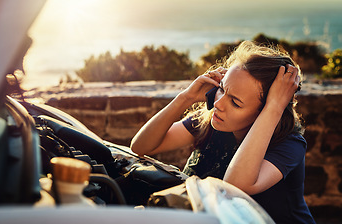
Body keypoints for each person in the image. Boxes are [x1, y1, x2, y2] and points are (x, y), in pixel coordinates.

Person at [130, 41, 315, 223]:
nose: (218, 103)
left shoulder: (290, 144)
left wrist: (274, 107)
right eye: (221, 89)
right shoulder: (215, 120)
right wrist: (185, 97)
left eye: (235, 102)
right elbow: (141, 146)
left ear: (265, 111)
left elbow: (233, 187)